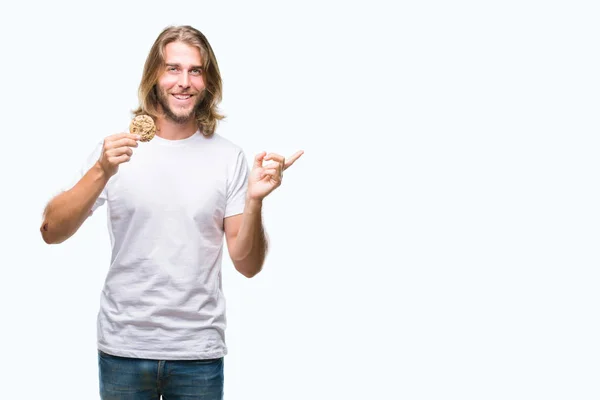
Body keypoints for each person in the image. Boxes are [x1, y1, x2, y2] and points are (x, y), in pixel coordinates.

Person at [40, 25, 303, 400]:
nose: (184, 81)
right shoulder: (114, 152)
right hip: (124, 348)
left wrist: (255, 200)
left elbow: (247, 265)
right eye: (172, 69)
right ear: (154, 77)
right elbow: (51, 231)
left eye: (195, 70)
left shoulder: (228, 157)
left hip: (198, 353)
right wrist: (101, 170)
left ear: (208, 82)